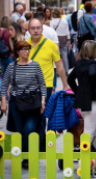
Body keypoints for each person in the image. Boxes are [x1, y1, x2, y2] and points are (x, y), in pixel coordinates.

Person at [0, 41, 46, 169]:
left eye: (28, 49)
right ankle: (26, 157)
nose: (26, 51)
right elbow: (4, 85)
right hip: (16, 103)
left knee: (29, 129)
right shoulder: (11, 67)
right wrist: (3, 102)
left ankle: (26, 157)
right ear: (18, 52)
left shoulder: (35, 65)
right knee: (20, 132)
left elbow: (42, 84)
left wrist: (43, 102)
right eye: (24, 49)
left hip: (33, 102)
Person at [26, 18, 68, 151]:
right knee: (34, 118)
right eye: (33, 28)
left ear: (42, 29)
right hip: (29, 87)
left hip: (47, 86)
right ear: (28, 30)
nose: (36, 30)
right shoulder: (23, 46)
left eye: (38, 27)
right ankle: (37, 145)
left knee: (44, 115)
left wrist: (65, 85)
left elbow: (59, 66)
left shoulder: (50, 45)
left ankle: (42, 144)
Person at [68, 40, 96, 150]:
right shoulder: (92, 63)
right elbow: (92, 75)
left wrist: (78, 91)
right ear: (92, 51)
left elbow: (70, 79)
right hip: (91, 100)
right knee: (90, 131)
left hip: (81, 101)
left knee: (93, 128)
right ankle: (83, 158)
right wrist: (95, 88)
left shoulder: (79, 63)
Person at [50, 8, 71, 73]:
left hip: (56, 39)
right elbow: (67, 31)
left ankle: (57, 71)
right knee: (64, 55)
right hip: (64, 38)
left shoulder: (52, 21)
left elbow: (51, 32)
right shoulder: (64, 20)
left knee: (56, 55)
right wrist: (68, 40)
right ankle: (66, 70)